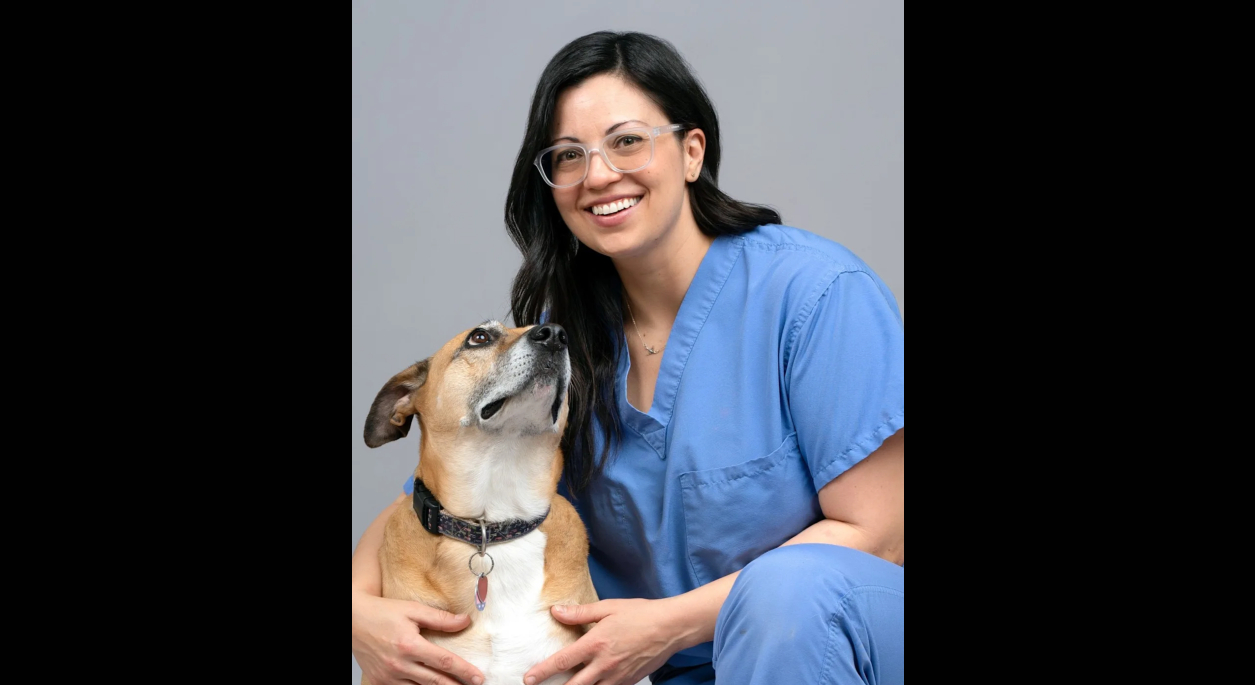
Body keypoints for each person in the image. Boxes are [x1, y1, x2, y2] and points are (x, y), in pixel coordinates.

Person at [352, 30, 904, 685]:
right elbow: (442, 488)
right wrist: (357, 613)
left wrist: (669, 622)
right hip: (662, 669)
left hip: (828, 643)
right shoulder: (562, 341)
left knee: (787, 593)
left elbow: (880, 535)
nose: (598, 174)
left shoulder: (814, 295)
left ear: (691, 151)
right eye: (567, 155)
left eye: (627, 141)